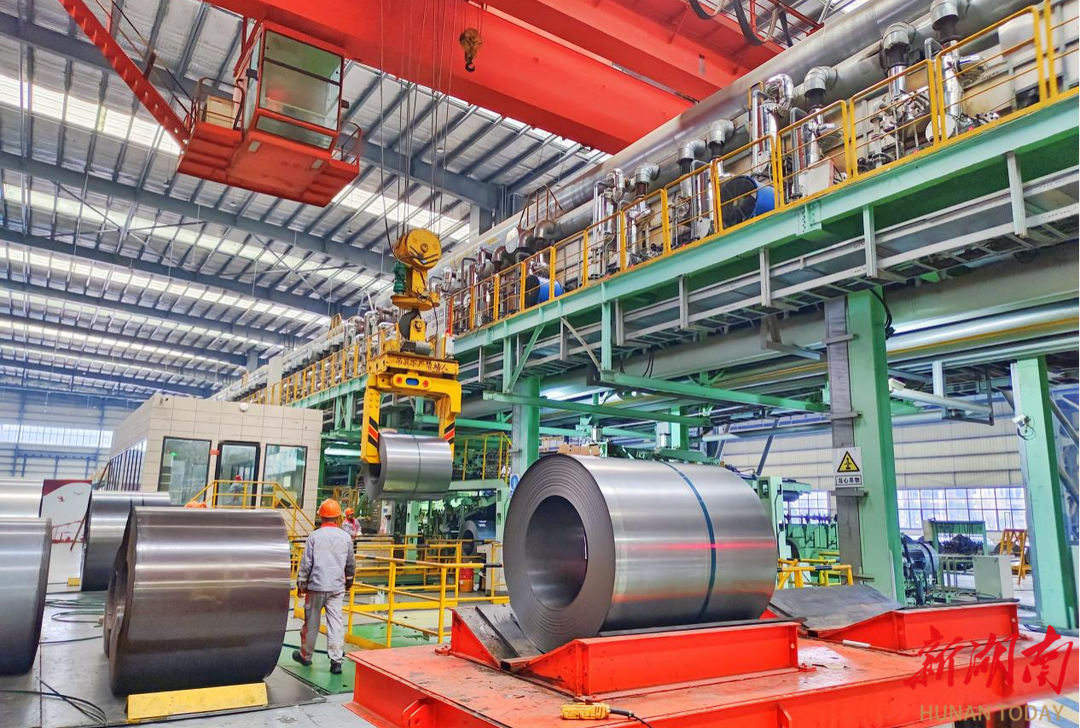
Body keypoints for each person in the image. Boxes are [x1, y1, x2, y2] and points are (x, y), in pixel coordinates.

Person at [294, 499, 355, 674]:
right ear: (337, 517)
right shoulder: (346, 537)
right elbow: (350, 563)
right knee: (335, 623)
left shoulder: (314, 536)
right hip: (336, 587)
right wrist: (349, 581)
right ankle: (336, 661)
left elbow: (306, 563)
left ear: (321, 516)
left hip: (316, 586)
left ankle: (306, 656)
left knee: (311, 622)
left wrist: (301, 584)